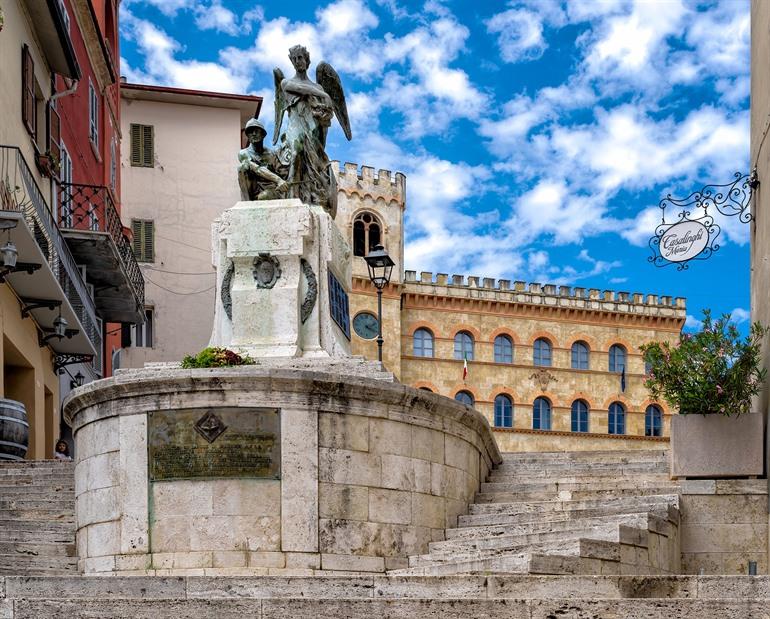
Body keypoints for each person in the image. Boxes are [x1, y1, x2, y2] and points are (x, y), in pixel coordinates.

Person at [237, 118, 288, 201]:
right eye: (250, 132)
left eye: (256, 131)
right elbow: (257, 169)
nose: (253, 134)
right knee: (242, 167)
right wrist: (278, 180)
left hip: (271, 189)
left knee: (265, 196)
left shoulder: (272, 154)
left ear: (263, 134)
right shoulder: (243, 153)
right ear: (248, 136)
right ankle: (246, 204)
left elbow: (283, 174)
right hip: (253, 189)